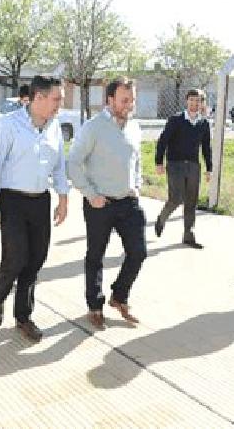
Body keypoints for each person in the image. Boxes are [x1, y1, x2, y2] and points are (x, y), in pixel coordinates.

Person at [0, 75, 69, 342]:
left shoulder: (54, 126)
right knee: (16, 257)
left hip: (40, 200)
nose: (59, 105)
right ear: (39, 97)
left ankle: (23, 316)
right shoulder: (9, 125)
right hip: (12, 200)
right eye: (56, 99)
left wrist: (63, 198)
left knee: (36, 259)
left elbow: (59, 165)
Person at [67, 77, 145, 328]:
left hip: (128, 202)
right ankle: (95, 305)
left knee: (138, 252)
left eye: (132, 99)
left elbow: (136, 159)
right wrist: (90, 194)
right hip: (100, 203)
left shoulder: (135, 127)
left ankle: (119, 296)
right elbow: (73, 162)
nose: (129, 105)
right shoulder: (93, 128)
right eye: (124, 100)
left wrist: (137, 185)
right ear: (109, 99)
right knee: (96, 256)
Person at [153, 88, 213, 249]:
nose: (194, 103)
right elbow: (163, 141)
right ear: (186, 101)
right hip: (175, 164)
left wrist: (209, 168)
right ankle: (162, 218)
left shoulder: (204, 123)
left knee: (191, 201)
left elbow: (206, 147)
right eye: (192, 100)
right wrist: (159, 162)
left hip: (193, 166)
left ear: (202, 103)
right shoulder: (176, 120)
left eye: (198, 100)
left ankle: (188, 235)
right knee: (176, 198)